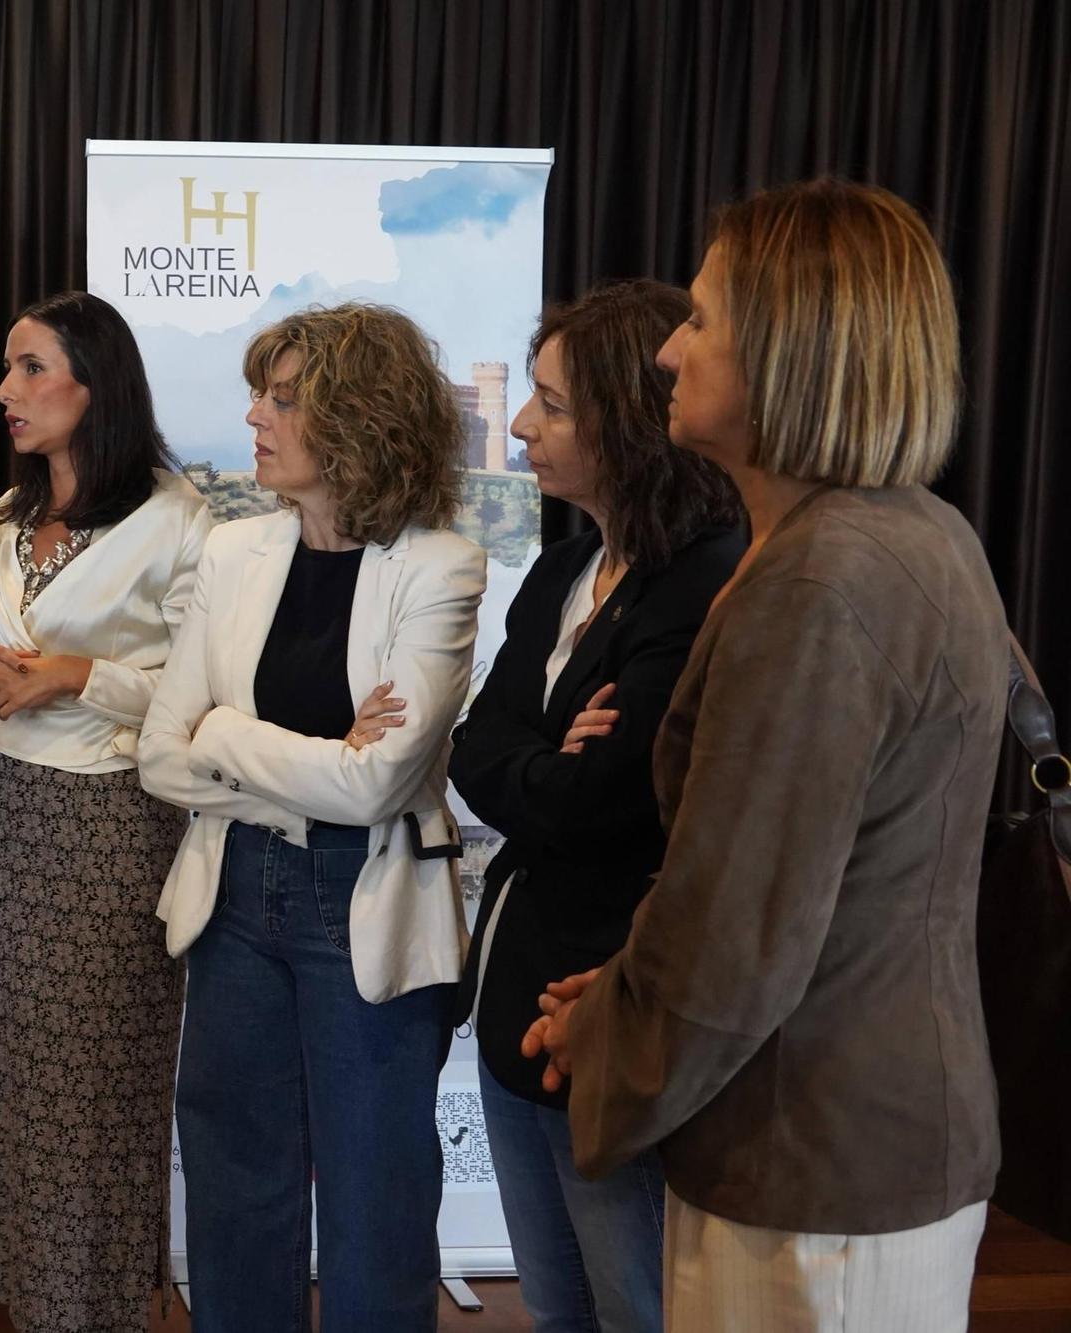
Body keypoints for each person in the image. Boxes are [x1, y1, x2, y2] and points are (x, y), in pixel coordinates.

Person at [525, 180, 1007, 1332]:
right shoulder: (908, 532)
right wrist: (630, 988)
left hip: (812, 1162)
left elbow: (737, 935)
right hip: (848, 1131)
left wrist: (605, 1033)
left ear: (787, 354)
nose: (667, 352)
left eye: (698, 320)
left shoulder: (820, 582)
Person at [140, 302, 486, 1332]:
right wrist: (316, 755)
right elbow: (162, 753)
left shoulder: (440, 565)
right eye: (260, 393)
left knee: (376, 1202)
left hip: (365, 900)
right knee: (234, 1190)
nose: (255, 415)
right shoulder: (233, 551)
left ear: (361, 420)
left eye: (284, 399)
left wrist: (224, 733)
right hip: (235, 895)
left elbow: (373, 788)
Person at [447, 281, 744, 1333]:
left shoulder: (707, 582)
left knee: (634, 1309)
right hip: (514, 1006)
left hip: (611, 1009)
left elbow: (601, 799)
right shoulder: (564, 567)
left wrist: (530, 766)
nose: (522, 426)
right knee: (554, 1306)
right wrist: (540, 760)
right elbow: (474, 748)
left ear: (627, 420)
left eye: (554, 404)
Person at [0, 290, 212, 1333]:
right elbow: (8, 654)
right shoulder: (6, 514)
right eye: (7, 367)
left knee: (95, 1088)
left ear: (94, 384)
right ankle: (36, 1304)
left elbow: (199, 696)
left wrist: (73, 676)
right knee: (6, 1077)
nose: (5, 390)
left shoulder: (177, 519)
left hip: (108, 825)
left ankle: (96, 1308)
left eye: (30, 368)